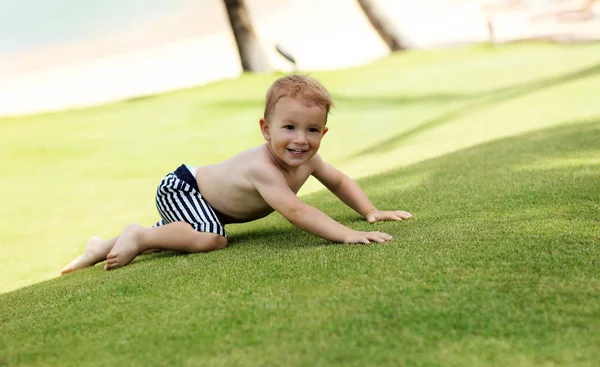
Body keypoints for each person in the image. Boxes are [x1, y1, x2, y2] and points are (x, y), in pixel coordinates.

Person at [61, 75, 412, 274]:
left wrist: (370, 211)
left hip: (206, 204)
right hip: (184, 189)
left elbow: (339, 181)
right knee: (212, 238)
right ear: (265, 129)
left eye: (312, 130)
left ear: (323, 133)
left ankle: (100, 246)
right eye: (289, 127)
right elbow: (296, 210)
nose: (301, 140)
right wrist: (346, 234)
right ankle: (138, 236)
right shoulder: (263, 168)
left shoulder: (308, 161)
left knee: (196, 230)